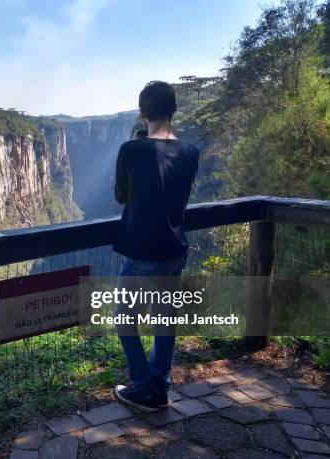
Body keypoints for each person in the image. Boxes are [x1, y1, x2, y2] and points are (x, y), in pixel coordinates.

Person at [112, 81, 199, 412]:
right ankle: (159, 384)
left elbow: (122, 196)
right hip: (175, 251)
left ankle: (144, 386)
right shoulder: (191, 152)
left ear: (142, 112)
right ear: (173, 110)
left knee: (124, 318)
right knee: (165, 319)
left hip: (143, 251)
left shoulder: (131, 151)